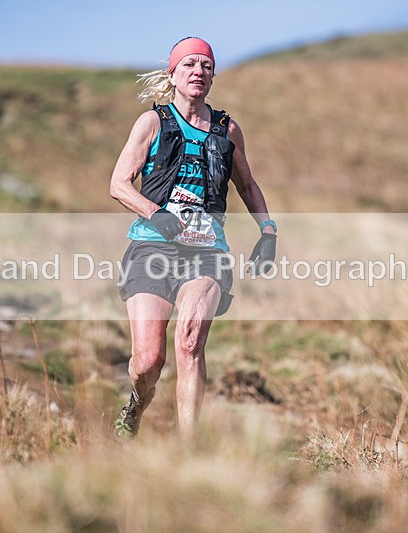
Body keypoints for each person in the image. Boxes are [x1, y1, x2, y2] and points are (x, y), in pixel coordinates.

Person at [109, 37, 277, 440]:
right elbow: (118, 184)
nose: (198, 71)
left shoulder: (227, 130)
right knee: (148, 361)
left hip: (207, 254)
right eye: (189, 64)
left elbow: (248, 185)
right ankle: (136, 404)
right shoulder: (152, 123)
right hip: (151, 247)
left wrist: (268, 230)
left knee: (189, 343)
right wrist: (157, 215)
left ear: (213, 76)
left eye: (206, 65)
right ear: (173, 74)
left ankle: (189, 449)